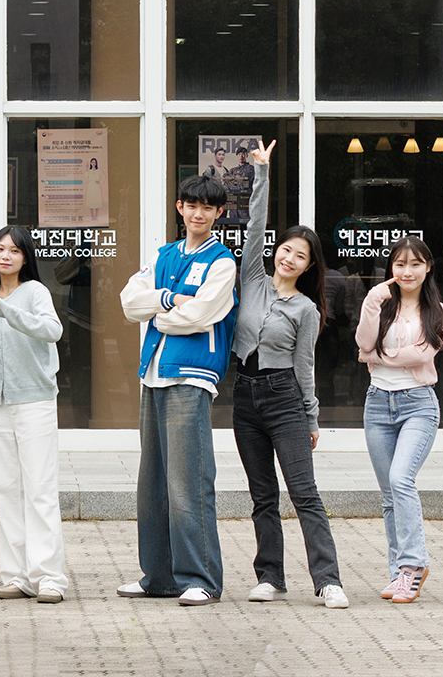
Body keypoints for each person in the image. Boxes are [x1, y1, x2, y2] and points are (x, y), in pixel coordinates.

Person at [228, 141, 347, 610]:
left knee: (305, 494)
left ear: (310, 265)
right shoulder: (252, 279)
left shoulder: (306, 309)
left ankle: (328, 580)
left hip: (283, 400)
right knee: (262, 496)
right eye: (286, 250)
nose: (289, 259)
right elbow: (253, 226)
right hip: (244, 396)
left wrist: (312, 418)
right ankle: (270, 576)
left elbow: (305, 369)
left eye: (301, 256)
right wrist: (262, 174)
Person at [118, 174, 239, 607]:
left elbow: (203, 315)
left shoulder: (223, 262)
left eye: (208, 207)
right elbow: (130, 303)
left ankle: (201, 578)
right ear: (179, 208)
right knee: (152, 484)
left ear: (219, 213)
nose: (199, 213)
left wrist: (161, 308)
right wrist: (172, 300)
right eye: (192, 205)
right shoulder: (163, 255)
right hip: (152, 374)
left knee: (189, 482)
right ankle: (159, 577)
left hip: (191, 376)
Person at [0, 226, 69, 605]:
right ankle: (16, 575)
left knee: (40, 489)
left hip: (35, 402)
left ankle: (49, 577)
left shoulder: (35, 292)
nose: (6, 256)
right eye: (0, 249)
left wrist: (8, 311)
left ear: (26, 257)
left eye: (14, 251)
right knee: (6, 490)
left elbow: (52, 330)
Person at [355, 236, 443, 604]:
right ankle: (398, 574)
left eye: (415, 264)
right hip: (377, 404)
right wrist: (371, 302)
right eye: (399, 265)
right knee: (390, 496)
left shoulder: (439, 310)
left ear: (428, 268)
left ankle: (414, 565)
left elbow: (420, 354)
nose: (407, 272)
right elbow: (362, 342)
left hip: (418, 404)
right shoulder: (380, 303)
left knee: (400, 479)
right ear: (390, 269)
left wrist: (376, 354)